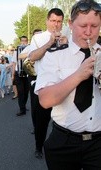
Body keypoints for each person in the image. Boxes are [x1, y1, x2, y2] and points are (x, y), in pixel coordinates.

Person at [35, 0, 101, 169]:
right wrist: (78, 75)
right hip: (64, 142)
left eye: (94, 26)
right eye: (83, 26)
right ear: (71, 24)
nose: (88, 32)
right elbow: (45, 100)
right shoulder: (55, 55)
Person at [28, 8, 66, 159]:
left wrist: (66, 42)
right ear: (47, 21)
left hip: (63, 86)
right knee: (41, 121)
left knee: (63, 121)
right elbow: (32, 57)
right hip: (44, 86)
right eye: (53, 21)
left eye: (59, 21)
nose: (55, 25)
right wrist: (49, 43)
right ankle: (39, 146)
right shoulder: (38, 38)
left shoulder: (67, 35)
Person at [12, 36, 29, 116]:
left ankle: (24, 105)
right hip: (18, 73)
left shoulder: (29, 49)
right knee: (21, 91)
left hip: (27, 73)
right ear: (20, 41)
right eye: (22, 41)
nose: (24, 42)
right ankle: (22, 109)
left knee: (26, 92)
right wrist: (12, 75)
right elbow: (14, 63)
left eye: (25, 41)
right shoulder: (16, 51)